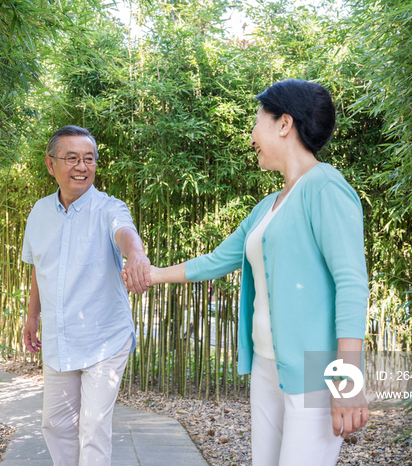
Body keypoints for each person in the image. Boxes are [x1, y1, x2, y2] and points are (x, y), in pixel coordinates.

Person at [125, 79, 369, 466]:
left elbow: (352, 283)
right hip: (268, 364)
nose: (252, 135)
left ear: (284, 124)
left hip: (314, 368)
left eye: (257, 122)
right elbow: (216, 260)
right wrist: (150, 275)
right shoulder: (268, 206)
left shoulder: (325, 186)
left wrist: (347, 380)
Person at [21, 125, 150, 466]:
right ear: (51, 165)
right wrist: (32, 317)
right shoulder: (38, 213)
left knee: (93, 428)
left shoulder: (109, 207)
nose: (82, 166)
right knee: (56, 423)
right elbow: (38, 268)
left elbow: (125, 233)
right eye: (72, 158)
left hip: (105, 337)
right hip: (60, 337)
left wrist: (135, 254)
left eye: (89, 159)